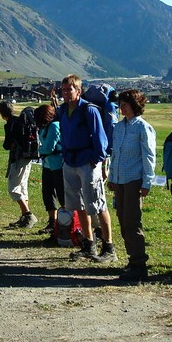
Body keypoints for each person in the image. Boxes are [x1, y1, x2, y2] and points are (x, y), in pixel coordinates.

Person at [56, 74, 114, 262]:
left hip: (88, 163)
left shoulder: (90, 111)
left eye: (69, 89)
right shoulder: (63, 110)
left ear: (78, 91)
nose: (65, 93)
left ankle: (108, 247)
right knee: (78, 205)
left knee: (97, 204)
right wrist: (65, 157)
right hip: (70, 162)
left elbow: (100, 139)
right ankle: (89, 244)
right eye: (63, 90)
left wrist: (95, 161)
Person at [108, 89, 156, 281]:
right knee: (122, 219)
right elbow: (115, 154)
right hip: (119, 180)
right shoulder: (119, 127)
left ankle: (139, 263)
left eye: (125, 104)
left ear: (135, 105)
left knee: (132, 221)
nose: (121, 107)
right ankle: (132, 259)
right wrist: (111, 176)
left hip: (134, 180)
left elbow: (149, 156)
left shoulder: (143, 128)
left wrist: (147, 181)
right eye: (120, 104)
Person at [0, 100, 38, 229]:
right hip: (27, 157)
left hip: (18, 158)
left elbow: (6, 145)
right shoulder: (21, 121)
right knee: (22, 186)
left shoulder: (10, 124)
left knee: (13, 188)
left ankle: (28, 214)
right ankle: (24, 218)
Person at [35, 102, 64, 243]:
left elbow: (48, 148)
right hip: (48, 164)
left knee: (61, 194)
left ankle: (64, 224)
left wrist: (38, 151)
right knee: (47, 193)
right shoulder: (45, 127)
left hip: (57, 164)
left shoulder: (54, 126)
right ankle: (53, 221)